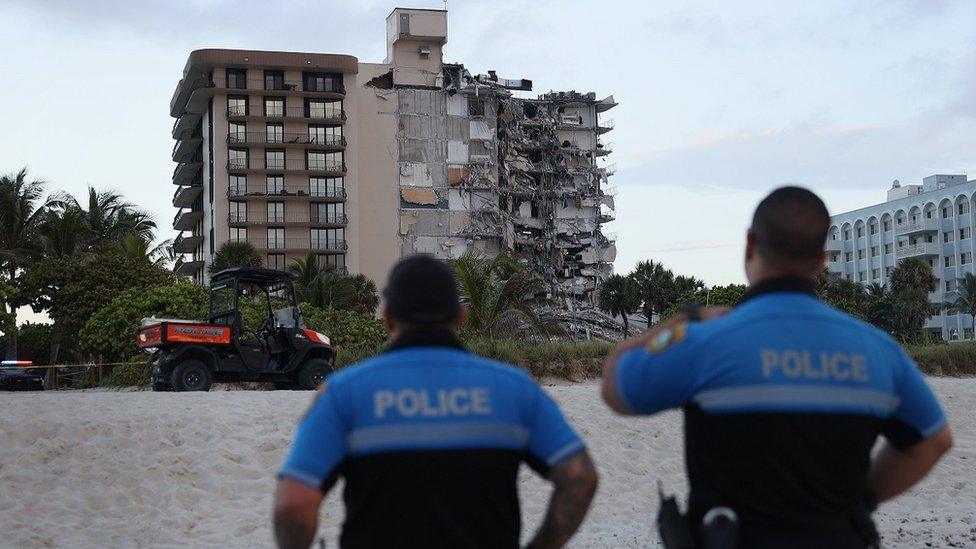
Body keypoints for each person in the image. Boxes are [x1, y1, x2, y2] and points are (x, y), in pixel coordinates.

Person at [601, 187, 953, 548]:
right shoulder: (879, 350)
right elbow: (933, 440)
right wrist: (860, 502)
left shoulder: (706, 341)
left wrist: (685, 319)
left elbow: (616, 386)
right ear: (821, 259)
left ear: (751, 245)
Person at [274, 255, 598, 549]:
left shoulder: (342, 393)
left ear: (387, 318)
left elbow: (293, 505)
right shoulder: (515, 388)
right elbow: (580, 478)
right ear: (460, 316)